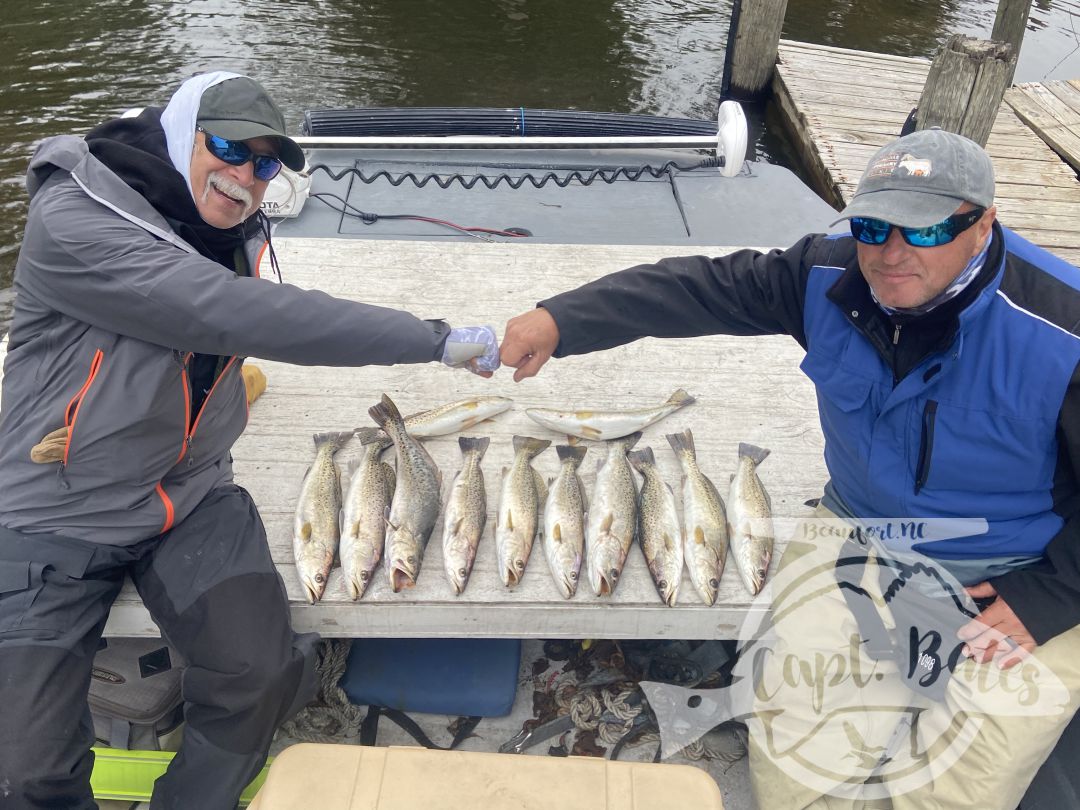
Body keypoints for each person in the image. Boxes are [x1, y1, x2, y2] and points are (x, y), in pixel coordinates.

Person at [499, 127, 1080, 807]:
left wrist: (1051, 599)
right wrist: (561, 320)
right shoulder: (827, 276)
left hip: (1024, 567)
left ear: (982, 225)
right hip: (862, 534)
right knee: (793, 740)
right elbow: (699, 289)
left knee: (973, 772)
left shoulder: (1063, 332)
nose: (889, 256)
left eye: (922, 233)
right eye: (872, 226)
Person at [0, 71, 498, 810]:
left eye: (265, 165)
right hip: (56, 510)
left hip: (188, 496)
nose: (245, 176)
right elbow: (228, 313)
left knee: (260, 675)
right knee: (26, 768)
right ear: (177, 134)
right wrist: (436, 341)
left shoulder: (228, 228)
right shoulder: (77, 220)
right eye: (228, 147)